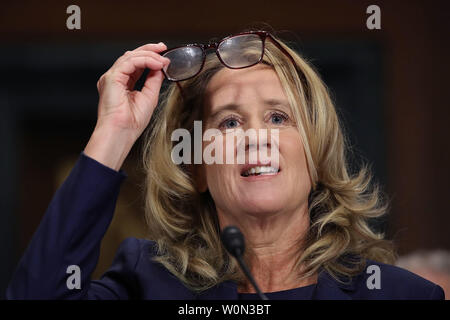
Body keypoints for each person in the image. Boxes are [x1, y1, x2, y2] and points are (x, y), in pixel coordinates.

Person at [6, 29, 444, 299]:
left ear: (315, 154)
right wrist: (114, 133)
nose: (256, 137)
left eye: (278, 117)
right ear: (197, 166)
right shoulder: (145, 283)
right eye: (229, 122)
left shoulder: (401, 295)